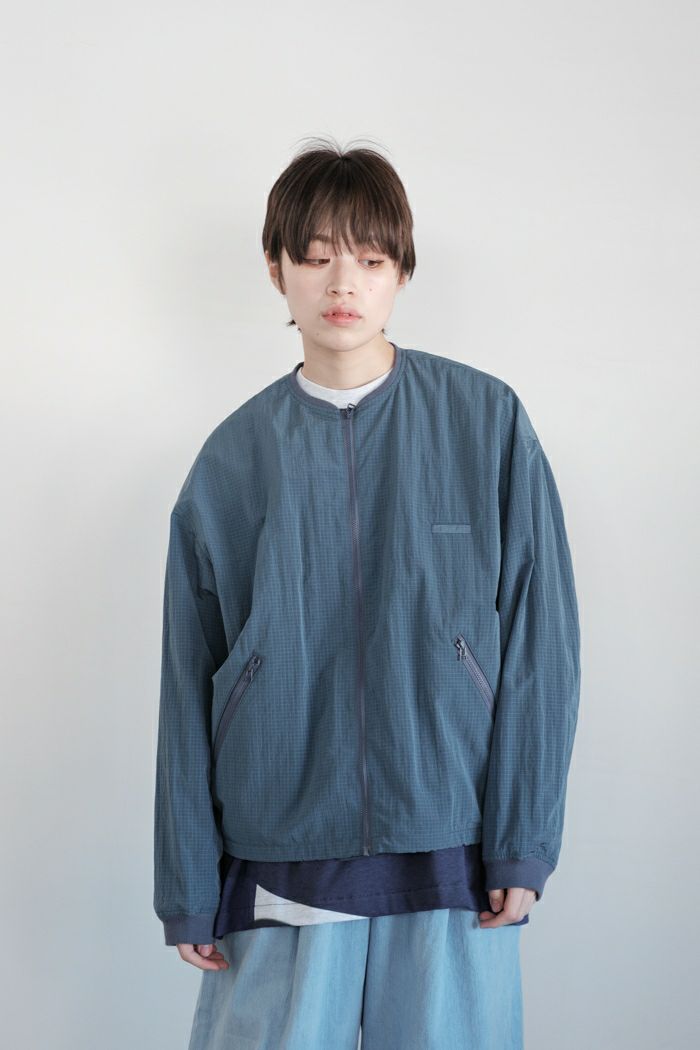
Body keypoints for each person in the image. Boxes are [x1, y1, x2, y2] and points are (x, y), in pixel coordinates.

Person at [153, 136, 581, 1049]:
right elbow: (184, 683)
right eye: (315, 256)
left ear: (401, 272)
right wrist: (185, 879)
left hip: (452, 844)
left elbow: (542, 645)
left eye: (371, 259)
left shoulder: (487, 424)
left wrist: (524, 837)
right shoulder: (231, 461)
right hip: (280, 850)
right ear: (276, 269)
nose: (342, 282)